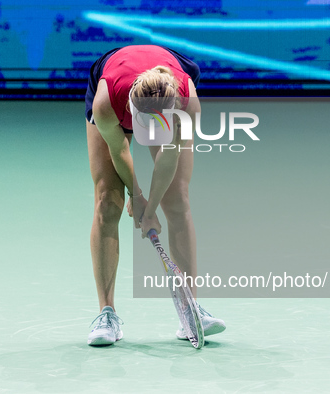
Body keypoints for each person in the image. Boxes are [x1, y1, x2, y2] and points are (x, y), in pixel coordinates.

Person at [85, 45, 225, 346]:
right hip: (115, 86)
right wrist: (137, 197)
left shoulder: (187, 107)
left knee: (177, 200)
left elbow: (168, 156)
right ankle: (106, 313)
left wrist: (152, 209)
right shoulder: (106, 103)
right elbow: (120, 149)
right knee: (108, 202)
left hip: (165, 105)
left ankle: (191, 312)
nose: (143, 132)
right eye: (139, 124)